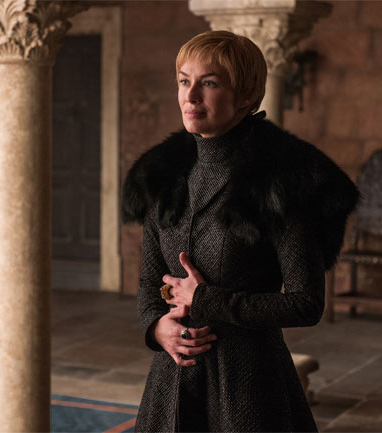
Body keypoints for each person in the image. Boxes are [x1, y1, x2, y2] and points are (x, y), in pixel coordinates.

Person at [122, 30, 359, 432]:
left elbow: (305, 303)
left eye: (209, 83)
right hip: (171, 381)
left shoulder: (279, 182)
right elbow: (150, 282)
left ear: (246, 96)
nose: (190, 96)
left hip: (250, 387)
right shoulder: (162, 173)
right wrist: (157, 328)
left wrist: (207, 300)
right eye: (184, 81)